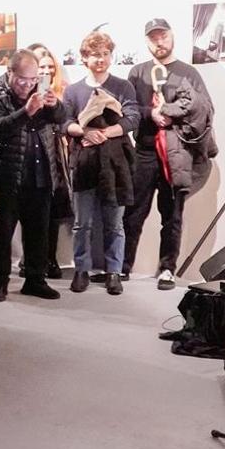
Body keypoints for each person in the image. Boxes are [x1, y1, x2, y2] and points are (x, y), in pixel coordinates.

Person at [123, 18, 216, 290]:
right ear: (146, 41)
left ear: (172, 36)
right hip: (144, 152)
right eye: (153, 38)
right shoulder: (138, 73)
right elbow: (128, 110)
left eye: (162, 36)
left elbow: (203, 112)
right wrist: (150, 113)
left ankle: (167, 269)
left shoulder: (189, 74)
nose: (159, 42)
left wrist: (169, 114)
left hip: (177, 154)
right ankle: (123, 266)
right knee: (133, 212)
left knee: (172, 215)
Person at [0, 49, 67, 302]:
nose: (27, 85)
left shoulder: (39, 93)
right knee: (2, 233)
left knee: (38, 232)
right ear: (10, 73)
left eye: (32, 80)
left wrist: (56, 105)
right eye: (22, 79)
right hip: (8, 175)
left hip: (40, 173)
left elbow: (62, 119)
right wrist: (25, 112)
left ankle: (35, 280)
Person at [62, 31, 139, 294]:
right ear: (84, 57)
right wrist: (84, 132)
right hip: (84, 163)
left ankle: (114, 272)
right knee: (82, 223)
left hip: (116, 166)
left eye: (106, 54)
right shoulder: (73, 91)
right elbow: (65, 122)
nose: (101, 59)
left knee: (115, 224)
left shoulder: (123, 86)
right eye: (96, 54)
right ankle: (81, 270)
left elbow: (132, 119)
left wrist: (103, 134)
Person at [32, 44, 73, 279]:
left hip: (57, 157)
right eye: (41, 66)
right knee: (33, 213)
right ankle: (33, 260)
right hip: (36, 155)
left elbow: (64, 118)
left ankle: (51, 259)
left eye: (50, 66)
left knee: (54, 212)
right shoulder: (25, 91)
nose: (46, 71)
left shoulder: (63, 91)